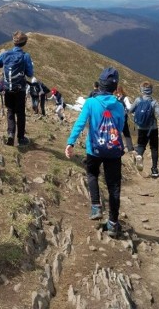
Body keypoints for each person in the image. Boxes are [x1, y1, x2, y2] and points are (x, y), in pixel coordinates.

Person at [65, 68, 125, 238]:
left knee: (92, 174)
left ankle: (96, 206)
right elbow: (119, 127)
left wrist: (71, 142)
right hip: (113, 151)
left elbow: (80, 123)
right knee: (114, 186)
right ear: (115, 87)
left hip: (94, 149)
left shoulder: (91, 103)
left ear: (100, 84)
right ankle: (113, 224)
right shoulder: (119, 106)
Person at [0, 31, 34, 146]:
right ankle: (21, 138)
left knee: (10, 111)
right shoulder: (25, 56)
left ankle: (10, 134)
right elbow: (29, 73)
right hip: (20, 90)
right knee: (20, 113)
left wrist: (4, 63)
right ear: (24, 43)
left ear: (13, 42)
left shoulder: (6, 54)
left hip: (8, 89)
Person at [129, 81, 159, 178]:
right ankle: (154, 170)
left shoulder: (138, 100)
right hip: (153, 128)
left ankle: (139, 156)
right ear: (151, 91)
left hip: (141, 128)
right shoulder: (154, 102)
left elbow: (131, 110)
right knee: (154, 148)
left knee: (141, 145)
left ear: (142, 90)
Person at [115, 85, 135, 153]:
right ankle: (130, 148)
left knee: (116, 132)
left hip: (115, 117)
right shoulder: (125, 98)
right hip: (123, 117)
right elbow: (129, 107)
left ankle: (116, 146)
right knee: (126, 132)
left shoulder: (114, 97)